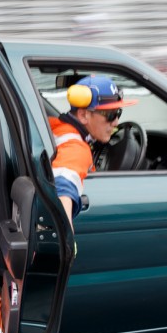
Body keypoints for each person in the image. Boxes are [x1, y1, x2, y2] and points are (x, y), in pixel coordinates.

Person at [48, 75, 138, 228]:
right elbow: (62, 187)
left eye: (118, 113)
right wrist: (65, 238)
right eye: (110, 115)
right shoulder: (77, 148)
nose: (116, 122)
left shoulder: (54, 124)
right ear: (84, 115)